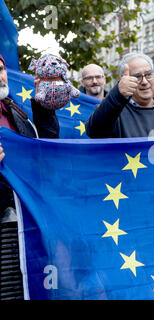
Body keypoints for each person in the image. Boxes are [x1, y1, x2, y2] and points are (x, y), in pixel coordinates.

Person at [0, 54, 59, 300]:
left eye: (1, 68)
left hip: (23, 222)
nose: (0, 75)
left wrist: (44, 105)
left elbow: (45, 149)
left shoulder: (14, 109)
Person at [85, 52, 154, 138]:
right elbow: (94, 132)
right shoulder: (113, 113)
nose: (144, 81)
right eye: (137, 77)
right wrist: (117, 93)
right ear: (124, 80)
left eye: (149, 74)